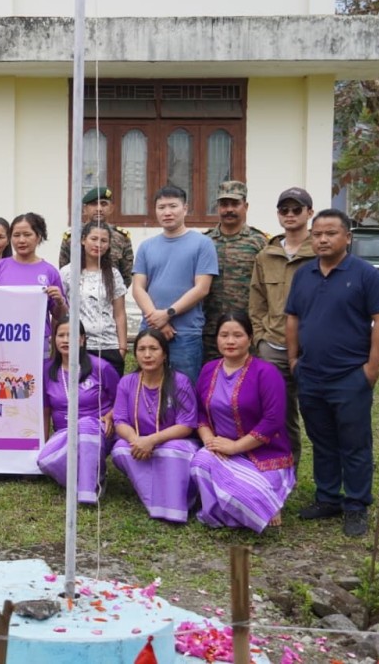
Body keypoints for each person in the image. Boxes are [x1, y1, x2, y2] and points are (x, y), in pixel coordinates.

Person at [286, 208, 379, 537]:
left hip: (350, 376)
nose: (323, 239)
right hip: (311, 374)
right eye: (317, 234)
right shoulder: (303, 274)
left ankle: (356, 504)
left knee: (354, 443)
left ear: (347, 237)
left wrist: (371, 369)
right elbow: (293, 318)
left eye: (330, 233)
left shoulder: (365, 274)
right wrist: (293, 360)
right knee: (322, 440)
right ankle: (328, 498)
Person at [191, 312, 295, 532]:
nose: (230, 341)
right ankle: (226, 513)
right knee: (201, 461)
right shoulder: (209, 370)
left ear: (250, 338)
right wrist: (210, 440)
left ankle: (265, 503)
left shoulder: (267, 372)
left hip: (263, 455)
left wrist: (236, 446)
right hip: (222, 450)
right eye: (224, 335)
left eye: (237, 335)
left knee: (250, 491)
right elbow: (199, 411)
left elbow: (273, 420)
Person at [248, 187, 316, 467]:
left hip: (312, 348)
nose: (290, 214)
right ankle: (286, 471)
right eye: (284, 210)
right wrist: (260, 339)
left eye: (296, 209)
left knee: (317, 414)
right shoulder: (266, 255)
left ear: (309, 213)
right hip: (273, 347)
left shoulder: (320, 251)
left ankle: (327, 480)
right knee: (279, 414)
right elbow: (257, 301)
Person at [110, 328, 199, 523]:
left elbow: (186, 425)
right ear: (135, 354)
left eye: (153, 349)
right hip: (140, 443)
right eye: (141, 349)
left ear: (164, 353)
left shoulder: (180, 382)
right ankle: (158, 501)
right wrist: (136, 440)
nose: (147, 354)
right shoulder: (127, 382)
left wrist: (151, 440)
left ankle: (176, 505)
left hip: (172, 443)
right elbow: (120, 421)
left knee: (174, 449)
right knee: (120, 449)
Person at [131, 186, 218, 384]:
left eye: (173, 206)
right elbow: (138, 288)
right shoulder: (146, 246)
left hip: (185, 334)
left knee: (184, 389)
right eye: (161, 207)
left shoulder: (202, 244)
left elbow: (202, 288)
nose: (167, 212)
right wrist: (158, 321)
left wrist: (168, 314)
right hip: (151, 332)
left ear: (185, 208)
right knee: (149, 388)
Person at [37, 318, 119, 502]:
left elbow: (123, 400)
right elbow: (45, 410)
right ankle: (91, 474)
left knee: (86, 425)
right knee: (44, 459)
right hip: (65, 433)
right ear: (54, 339)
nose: (65, 340)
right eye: (61, 335)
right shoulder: (47, 369)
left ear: (82, 339)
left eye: (71, 335)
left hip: (97, 431)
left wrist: (110, 415)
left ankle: (90, 490)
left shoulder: (101, 367)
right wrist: (44, 442)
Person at [201, 181, 268, 362]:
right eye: (224, 204)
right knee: (211, 375)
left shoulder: (259, 242)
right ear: (218, 207)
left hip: (246, 331)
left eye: (235, 204)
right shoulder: (204, 242)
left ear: (245, 206)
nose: (229, 209)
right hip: (210, 330)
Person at [61, 221, 128, 376]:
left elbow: (119, 314)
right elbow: (60, 312)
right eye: (94, 239)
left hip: (109, 347)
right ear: (83, 240)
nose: (98, 244)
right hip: (77, 346)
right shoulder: (67, 272)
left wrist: (122, 349)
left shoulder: (114, 274)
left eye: (104, 241)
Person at [0, 212, 67, 346]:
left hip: (37, 341)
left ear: (38, 237)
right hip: (2, 339)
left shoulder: (50, 271)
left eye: (27, 235)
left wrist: (60, 301)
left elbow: (59, 315)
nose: (21, 240)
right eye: (16, 235)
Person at [58, 186, 134, 287]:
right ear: (84, 209)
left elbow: (126, 276)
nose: (99, 209)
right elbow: (64, 271)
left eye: (104, 204)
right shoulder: (73, 237)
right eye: (94, 204)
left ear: (111, 208)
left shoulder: (121, 237)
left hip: (110, 292)